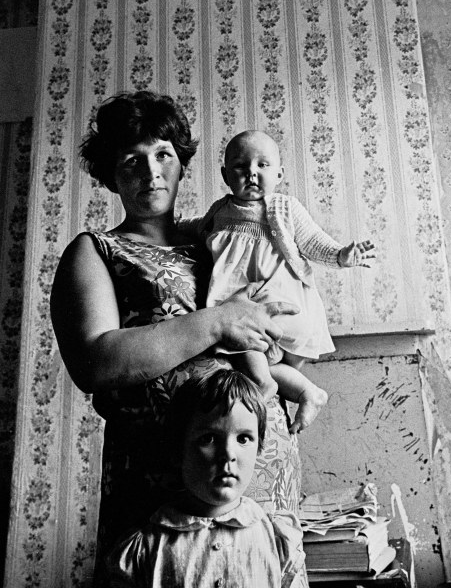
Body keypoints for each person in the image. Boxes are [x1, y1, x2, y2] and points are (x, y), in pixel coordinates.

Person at [50, 91, 302, 575]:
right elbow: (95, 362)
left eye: (163, 154)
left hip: (259, 463)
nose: (151, 172)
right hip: (159, 480)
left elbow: (281, 323)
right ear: (110, 175)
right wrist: (216, 321)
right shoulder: (96, 252)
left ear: (182, 163)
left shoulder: (218, 240)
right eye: (132, 161)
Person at [185, 129, 375, 434]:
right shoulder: (220, 211)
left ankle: (263, 385)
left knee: (240, 342)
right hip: (258, 315)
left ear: (280, 173)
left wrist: (340, 255)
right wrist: (173, 224)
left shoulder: (285, 208)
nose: (251, 173)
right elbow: (196, 229)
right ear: (224, 174)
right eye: (240, 166)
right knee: (256, 358)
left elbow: (313, 241)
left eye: (262, 165)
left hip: (282, 307)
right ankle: (308, 393)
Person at [105, 368, 307, 588]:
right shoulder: (146, 548)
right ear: (177, 451)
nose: (228, 454)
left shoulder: (276, 539)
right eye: (209, 438)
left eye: (243, 439)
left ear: (259, 449)